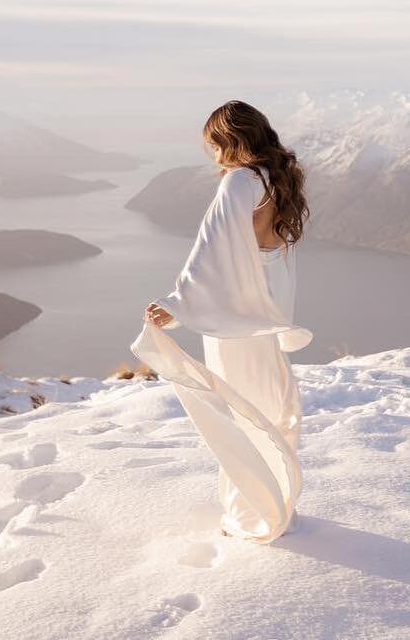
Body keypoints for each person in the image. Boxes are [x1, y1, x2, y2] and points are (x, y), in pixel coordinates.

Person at [130, 100, 312, 542]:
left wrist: (179, 302)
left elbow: (210, 250)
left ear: (231, 140)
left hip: (235, 322)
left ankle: (253, 514)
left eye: (214, 144)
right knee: (263, 406)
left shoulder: (238, 182)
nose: (212, 155)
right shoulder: (276, 178)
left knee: (239, 411)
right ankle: (273, 502)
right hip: (260, 315)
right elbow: (268, 256)